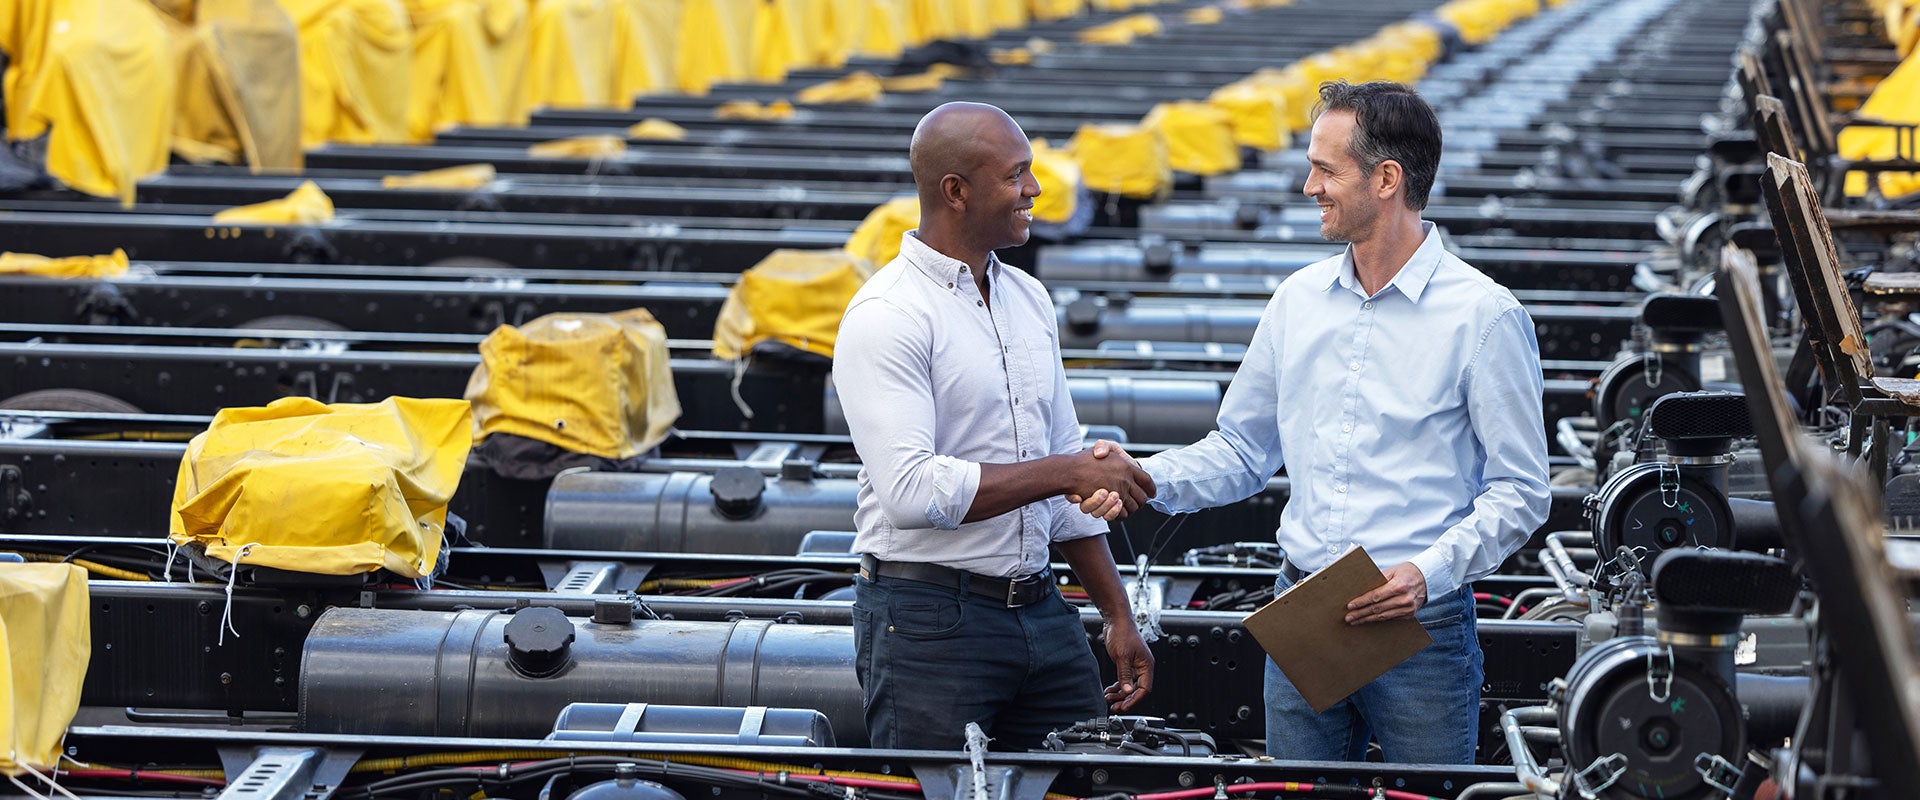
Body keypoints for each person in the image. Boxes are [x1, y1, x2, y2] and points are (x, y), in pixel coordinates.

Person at [1082, 80, 1551, 763]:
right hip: (1303, 607)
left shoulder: (1484, 317)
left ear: (1386, 179)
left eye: (1326, 169)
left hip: (1417, 624)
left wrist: (1427, 572)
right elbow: (1241, 450)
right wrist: (1142, 477)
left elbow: (1521, 490)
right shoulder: (1296, 302)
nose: (1309, 187)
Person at [832, 101, 1158, 752]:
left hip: (1039, 608)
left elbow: (1063, 462)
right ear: (956, 192)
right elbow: (912, 491)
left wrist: (1117, 614)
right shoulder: (887, 315)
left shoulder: (1028, 299)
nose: (1035, 189)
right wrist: (1070, 471)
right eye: (1016, 175)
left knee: (1085, 780)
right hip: (927, 623)